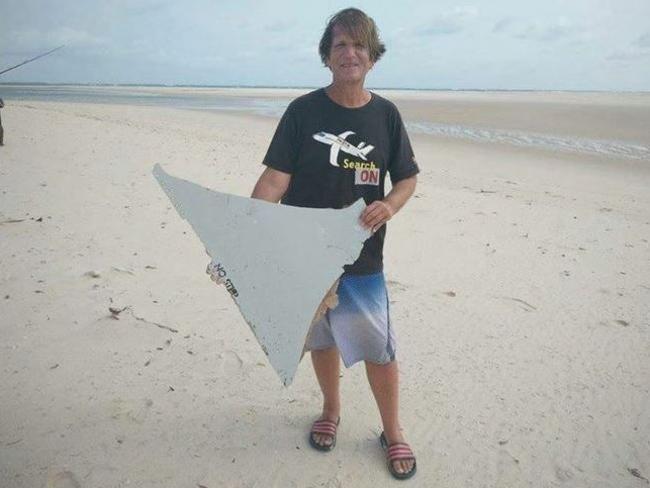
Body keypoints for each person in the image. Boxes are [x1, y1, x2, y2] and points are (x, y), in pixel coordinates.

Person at [251, 8, 418, 480]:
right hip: (305, 255)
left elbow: (407, 178)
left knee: (379, 349)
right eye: (340, 45)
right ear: (327, 56)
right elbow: (273, 180)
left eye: (359, 44)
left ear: (372, 56)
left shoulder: (386, 115)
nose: (350, 53)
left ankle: (394, 430)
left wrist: (389, 204)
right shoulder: (303, 112)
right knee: (323, 338)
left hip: (362, 258)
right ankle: (330, 408)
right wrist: (250, 231)